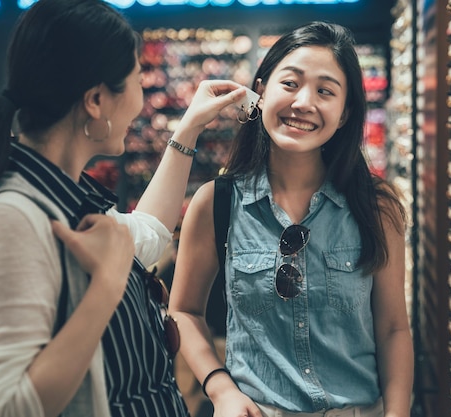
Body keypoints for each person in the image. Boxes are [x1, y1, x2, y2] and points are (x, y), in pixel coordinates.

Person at [0, 0, 247, 416]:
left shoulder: (64, 194)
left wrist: (189, 128)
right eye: (138, 81)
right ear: (96, 100)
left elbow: (149, 235)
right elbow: (8, 408)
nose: (141, 101)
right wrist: (106, 283)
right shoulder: (12, 217)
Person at [169, 21, 414, 417]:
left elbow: (392, 329)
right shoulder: (217, 202)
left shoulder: (377, 206)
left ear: (345, 111)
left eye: (325, 91)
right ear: (261, 91)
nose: (304, 102)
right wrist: (221, 390)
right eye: (290, 83)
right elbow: (184, 311)